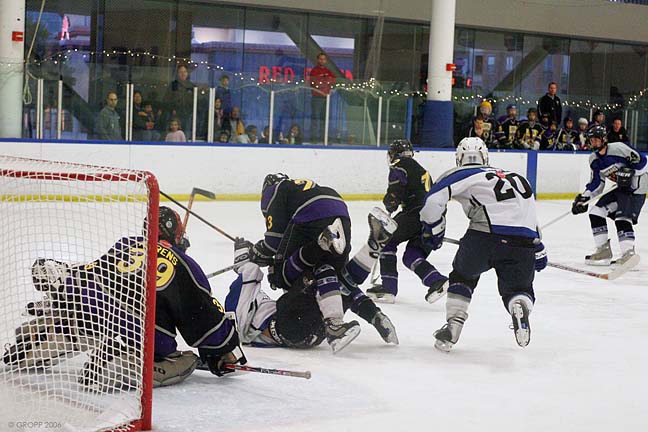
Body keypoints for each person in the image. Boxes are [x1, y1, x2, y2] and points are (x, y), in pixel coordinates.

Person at [3, 207, 246, 388]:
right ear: (176, 235)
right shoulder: (186, 264)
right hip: (136, 328)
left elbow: (93, 271)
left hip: (92, 308)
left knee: (91, 311)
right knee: (182, 358)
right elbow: (205, 320)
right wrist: (221, 351)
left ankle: (42, 337)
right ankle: (118, 362)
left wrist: (66, 281)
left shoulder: (127, 244)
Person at [420, 137, 547, 351]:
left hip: (483, 237)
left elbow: (433, 202)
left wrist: (433, 230)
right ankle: (519, 304)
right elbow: (528, 214)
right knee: (519, 289)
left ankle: (453, 327)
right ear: (485, 156)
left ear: (459, 158)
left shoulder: (459, 173)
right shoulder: (517, 177)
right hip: (523, 241)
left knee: (462, 276)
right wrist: (538, 246)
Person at [249, 174, 397, 352]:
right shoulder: (297, 189)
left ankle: (321, 244)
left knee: (281, 276)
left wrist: (255, 252)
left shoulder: (274, 190)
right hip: (338, 208)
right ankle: (371, 253)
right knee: (338, 276)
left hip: (311, 214)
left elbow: (273, 241)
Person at [367, 140, 448, 304]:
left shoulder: (400, 165)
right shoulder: (420, 169)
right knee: (412, 256)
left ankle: (389, 288)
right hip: (434, 218)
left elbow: (395, 192)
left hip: (414, 213)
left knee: (385, 240)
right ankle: (437, 281)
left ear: (394, 154)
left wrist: (390, 201)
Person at [571, 125, 646, 266]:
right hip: (621, 189)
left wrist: (631, 173)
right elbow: (597, 182)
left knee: (622, 217)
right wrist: (585, 198)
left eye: (596, 140)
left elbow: (642, 161)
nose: (593, 143)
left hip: (636, 189)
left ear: (604, 139)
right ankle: (603, 251)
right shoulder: (594, 159)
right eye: (591, 140)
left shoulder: (619, 148)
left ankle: (628, 253)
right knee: (596, 212)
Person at [309, 52, 336, 143]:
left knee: (324, 118)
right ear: (318, 60)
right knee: (315, 118)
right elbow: (314, 83)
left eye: (324, 59)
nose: (322, 61)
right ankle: (314, 137)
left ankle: (323, 137)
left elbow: (333, 81)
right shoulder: (314, 71)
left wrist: (328, 89)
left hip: (326, 98)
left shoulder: (328, 71)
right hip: (317, 97)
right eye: (321, 59)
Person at [163, 64, 195, 139]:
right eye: (181, 72)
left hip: (188, 114)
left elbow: (195, 100)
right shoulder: (174, 85)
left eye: (184, 72)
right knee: (175, 134)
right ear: (177, 73)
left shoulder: (191, 86)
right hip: (176, 115)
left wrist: (191, 110)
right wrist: (172, 109)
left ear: (187, 73)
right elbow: (166, 99)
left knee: (186, 134)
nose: (183, 74)